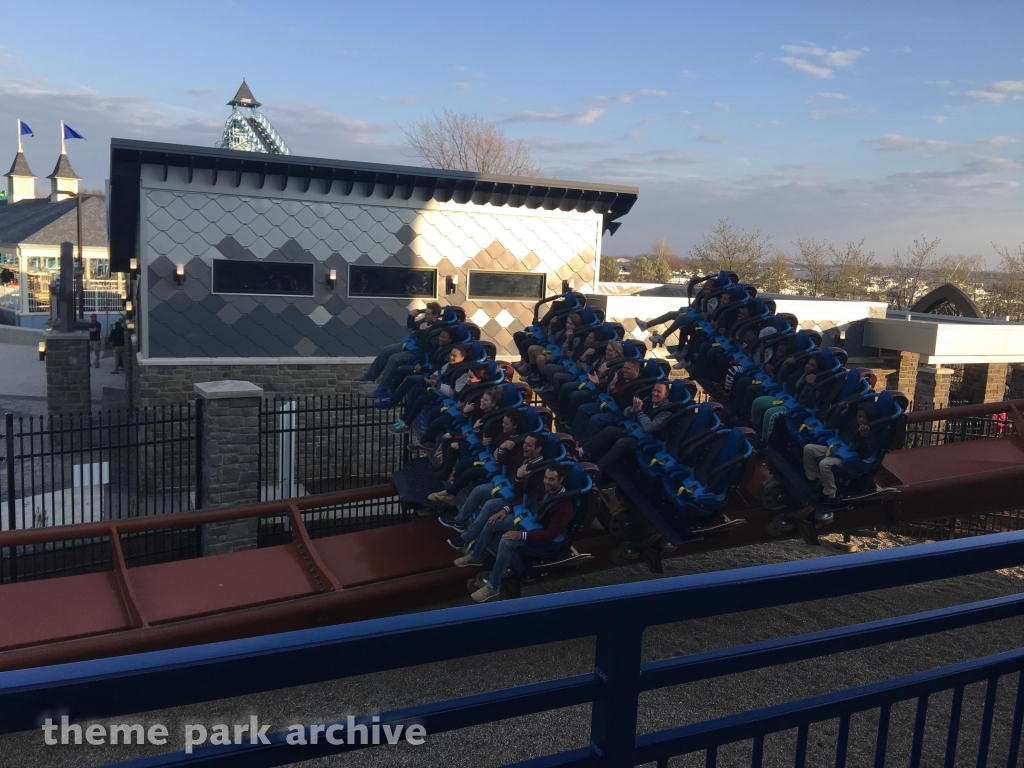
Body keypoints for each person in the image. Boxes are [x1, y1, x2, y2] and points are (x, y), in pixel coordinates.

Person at [456, 465, 575, 603]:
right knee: (493, 520)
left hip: (543, 538)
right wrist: (505, 510)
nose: (547, 481)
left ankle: (493, 586)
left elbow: (550, 534)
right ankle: (477, 555)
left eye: (552, 479)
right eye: (546, 477)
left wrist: (521, 535)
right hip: (529, 521)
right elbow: (526, 500)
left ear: (561, 480)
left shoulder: (565, 506)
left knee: (506, 542)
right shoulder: (544, 488)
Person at [441, 431, 547, 534]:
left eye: (528, 445)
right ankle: (459, 522)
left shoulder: (539, 470)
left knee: (490, 505)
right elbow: (505, 470)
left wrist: (519, 478)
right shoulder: (523, 456)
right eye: (524, 443)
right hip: (508, 487)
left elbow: (521, 493)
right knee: (479, 490)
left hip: (517, 498)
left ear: (538, 449)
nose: (524, 446)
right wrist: (500, 452)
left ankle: (468, 537)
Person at [355, 303, 442, 393]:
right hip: (412, 345)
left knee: (394, 359)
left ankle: (382, 389)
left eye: (428, 314)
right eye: (425, 313)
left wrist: (423, 331)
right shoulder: (425, 321)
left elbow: (426, 346)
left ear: (435, 315)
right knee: (387, 350)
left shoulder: (437, 328)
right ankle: (370, 375)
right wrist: (411, 316)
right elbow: (412, 326)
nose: (425, 316)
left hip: (420, 352)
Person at [803, 402, 880, 500]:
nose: (861, 420)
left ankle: (830, 494)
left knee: (825, 464)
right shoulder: (853, 423)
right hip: (839, 450)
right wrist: (840, 416)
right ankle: (813, 479)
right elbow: (838, 428)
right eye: (859, 416)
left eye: (865, 417)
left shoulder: (871, 432)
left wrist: (864, 437)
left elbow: (866, 454)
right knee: (809, 449)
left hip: (851, 460)